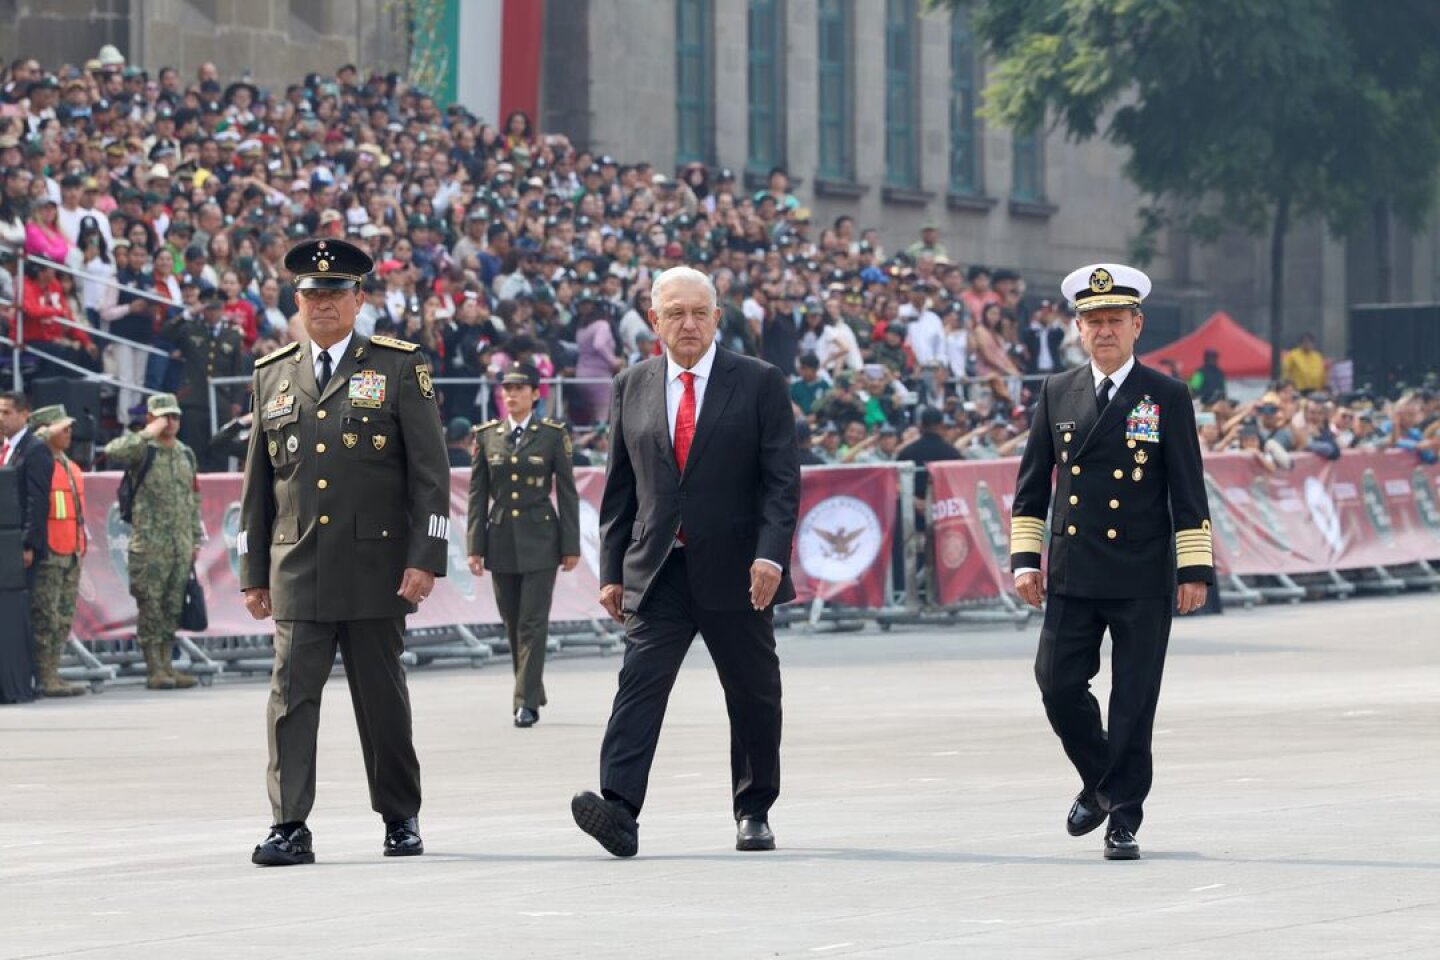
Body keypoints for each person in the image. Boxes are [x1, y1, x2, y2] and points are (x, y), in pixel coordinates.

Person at [571, 265, 800, 858]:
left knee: (753, 693)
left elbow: (781, 482)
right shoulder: (633, 384)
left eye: (700, 312)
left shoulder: (759, 382)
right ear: (655, 320)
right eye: (676, 313)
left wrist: (771, 556)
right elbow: (620, 488)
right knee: (638, 685)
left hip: (738, 569)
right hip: (658, 568)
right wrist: (611, 571)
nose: (689, 323)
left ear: (718, 317)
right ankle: (619, 808)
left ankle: (754, 809)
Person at [238, 237, 450, 867]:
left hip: (376, 570)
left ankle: (399, 815)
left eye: (334, 294)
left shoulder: (396, 366)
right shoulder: (272, 373)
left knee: (381, 701)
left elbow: (431, 476)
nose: (322, 304)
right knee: (289, 701)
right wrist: (254, 572)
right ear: (295, 301)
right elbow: (257, 487)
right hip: (297, 567)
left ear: (359, 299)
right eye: (310, 295)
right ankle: (289, 824)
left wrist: (426, 558)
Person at [1010, 263, 1213, 861]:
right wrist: (1027, 558)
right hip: (1074, 569)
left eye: (1114, 320)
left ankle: (1123, 817)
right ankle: (1102, 780)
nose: (1104, 331)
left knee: (1133, 700)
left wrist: (1193, 569)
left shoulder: (1166, 396)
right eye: (1093, 321)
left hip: (1142, 574)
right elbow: (1030, 486)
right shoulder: (1057, 391)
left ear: (1136, 325)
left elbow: (1187, 489)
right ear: (1077, 328)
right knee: (1056, 684)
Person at [466, 362, 581, 727]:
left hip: (540, 538)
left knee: (532, 622)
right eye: (506, 389)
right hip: (499, 537)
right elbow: (476, 494)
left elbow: (567, 492)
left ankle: (525, 702)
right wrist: (475, 546)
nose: (511, 395)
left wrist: (571, 544)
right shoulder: (487, 435)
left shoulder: (551, 435)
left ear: (535, 393)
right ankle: (532, 688)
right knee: (513, 622)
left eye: (519, 389)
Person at [101, 394, 204, 690]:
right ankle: (154, 667)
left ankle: (168, 664)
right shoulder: (142, 449)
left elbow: (193, 498)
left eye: (174, 416)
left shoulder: (185, 453)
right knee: (151, 607)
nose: (170, 422)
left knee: (172, 607)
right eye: (164, 416)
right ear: (151, 418)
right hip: (149, 545)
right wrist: (148, 433)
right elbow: (112, 451)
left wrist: (195, 539)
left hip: (179, 544)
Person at [27, 405, 87, 697]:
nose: (69, 433)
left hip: (71, 551)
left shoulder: (68, 465)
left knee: (62, 618)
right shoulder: (36, 461)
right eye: (62, 428)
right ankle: (43, 675)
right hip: (50, 552)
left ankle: (53, 671)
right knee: (45, 617)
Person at [162, 287, 245, 469]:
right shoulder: (190, 330)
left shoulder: (232, 336)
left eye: (217, 308)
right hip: (194, 401)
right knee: (194, 455)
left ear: (223, 309)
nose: (213, 313)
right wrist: (188, 314)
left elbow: (237, 371)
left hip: (221, 403)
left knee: (220, 454)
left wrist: (236, 402)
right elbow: (166, 332)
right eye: (209, 308)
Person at [0, 392, 54, 589]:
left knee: (18, 604)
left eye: (7, 412)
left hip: (18, 543)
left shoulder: (35, 450)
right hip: (3, 539)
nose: (0, 418)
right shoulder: (4, 448)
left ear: (24, 415)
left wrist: (27, 544)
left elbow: (37, 500)